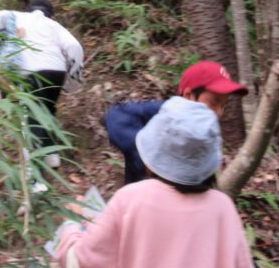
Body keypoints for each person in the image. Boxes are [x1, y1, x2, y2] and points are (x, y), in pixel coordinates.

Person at [55, 97, 260, 268]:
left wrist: (71, 225)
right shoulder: (222, 208)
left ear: (153, 152)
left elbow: (80, 267)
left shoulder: (131, 199)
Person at [104, 60, 248, 184]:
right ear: (188, 96)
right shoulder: (162, 113)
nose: (218, 113)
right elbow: (116, 116)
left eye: (223, 105)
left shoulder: (206, 136)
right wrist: (147, 155)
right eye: (214, 102)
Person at [0, 0, 84, 169]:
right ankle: (51, 155)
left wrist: (1, 46)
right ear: (52, 15)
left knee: (30, 118)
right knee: (47, 109)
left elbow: (0, 16)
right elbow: (74, 46)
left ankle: (33, 173)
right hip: (56, 71)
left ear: (28, 9)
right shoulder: (53, 25)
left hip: (29, 72)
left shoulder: (17, 16)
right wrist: (73, 83)